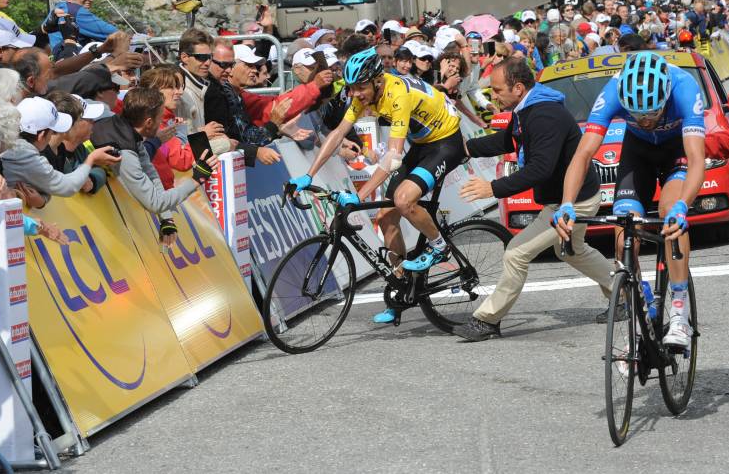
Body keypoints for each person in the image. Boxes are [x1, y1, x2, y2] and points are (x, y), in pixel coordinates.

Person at [288, 48, 467, 323]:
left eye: (361, 87)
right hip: (422, 144)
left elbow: (393, 159)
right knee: (385, 217)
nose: (356, 94)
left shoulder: (397, 95)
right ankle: (403, 287)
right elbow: (337, 134)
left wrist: (359, 195)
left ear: (377, 81)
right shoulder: (363, 95)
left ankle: (439, 246)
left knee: (404, 200)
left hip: (447, 142)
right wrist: (309, 175)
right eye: (351, 88)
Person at [450, 58, 613, 341]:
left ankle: (487, 320)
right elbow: (509, 141)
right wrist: (467, 148)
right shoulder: (528, 108)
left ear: (519, 87)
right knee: (571, 250)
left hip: (572, 200)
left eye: (498, 90)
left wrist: (493, 188)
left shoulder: (543, 115)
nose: (494, 96)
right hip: (570, 196)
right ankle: (624, 295)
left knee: (516, 253)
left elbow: (540, 169)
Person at [557, 52, 705, 348]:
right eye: (637, 115)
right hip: (637, 154)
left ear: (664, 97)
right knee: (624, 230)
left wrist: (682, 206)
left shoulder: (684, 87)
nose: (645, 121)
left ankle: (678, 310)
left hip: (676, 150)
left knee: (669, 215)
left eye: (652, 114)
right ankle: (641, 302)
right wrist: (567, 203)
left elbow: (696, 159)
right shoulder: (613, 90)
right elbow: (584, 154)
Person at [89, 86, 218, 246]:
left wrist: (166, 218)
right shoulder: (125, 152)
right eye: (160, 118)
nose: (161, 124)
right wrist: (197, 179)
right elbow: (154, 202)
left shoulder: (126, 128)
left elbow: (151, 173)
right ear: (149, 122)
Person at [0, 97, 119, 203]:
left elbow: (45, 185)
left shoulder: (11, 145)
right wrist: (91, 160)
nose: (55, 134)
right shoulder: (25, 155)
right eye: (52, 131)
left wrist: (43, 199)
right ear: (41, 136)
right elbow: (67, 186)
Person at [45, 0, 118, 52]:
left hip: (59, 59)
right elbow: (116, 35)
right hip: (71, 59)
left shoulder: (58, 8)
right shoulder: (75, 11)